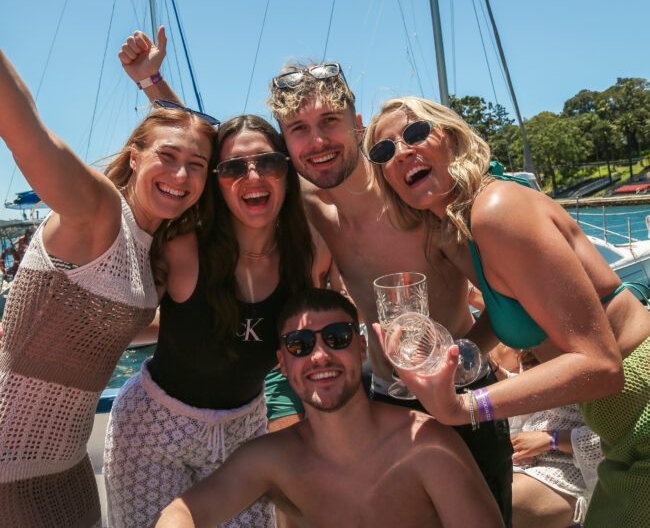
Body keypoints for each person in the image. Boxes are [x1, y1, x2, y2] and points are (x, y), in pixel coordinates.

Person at [117, 29, 514, 523]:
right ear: (289, 146)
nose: (319, 140)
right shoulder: (311, 208)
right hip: (381, 405)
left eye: (330, 121)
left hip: (460, 397)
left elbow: (504, 303)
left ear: (358, 125)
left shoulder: (417, 203)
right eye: (300, 129)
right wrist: (155, 85)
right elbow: (229, 156)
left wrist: (462, 364)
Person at [364, 95, 650, 528]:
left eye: (416, 132)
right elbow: (514, 312)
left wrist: (461, 406)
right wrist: (451, 359)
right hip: (619, 426)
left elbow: (601, 364)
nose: (402, 151)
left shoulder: (498, 211)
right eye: (384, 151)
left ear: (452, 138)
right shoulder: (467, 225)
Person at [106, 38, 338, 528]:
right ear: (217, 181)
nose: (252, 175)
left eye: (268, 163)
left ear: (287, 172)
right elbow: (187, 144)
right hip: (152, 430)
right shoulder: (184, 246)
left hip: (244, 431)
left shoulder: (308, 251)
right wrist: (152, 83)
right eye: (233, 168)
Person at [0, 49, 216, 527]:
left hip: (69, 469)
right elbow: (27, 131)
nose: (181, 174)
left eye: (196, 165)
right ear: (135, 157)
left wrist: (154, 82)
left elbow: (113, 328)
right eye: (167, 156)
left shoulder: (152, 250)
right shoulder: (97, 209)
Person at [153, 288, 504, 528]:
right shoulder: (272, 459)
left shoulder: (426, 446)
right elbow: (185, 512)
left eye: (336, 338)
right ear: (282, 362)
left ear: (362, 348)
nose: (319, 355)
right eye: (300, 344)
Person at [490, 346, 603, 527]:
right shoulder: (543, 343)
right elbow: (538, 392)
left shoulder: (617, 355)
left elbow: (623, 438)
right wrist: (493, 372)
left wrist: (553, 439)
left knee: (490, 504)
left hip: (578, 472)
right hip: (525, 458)